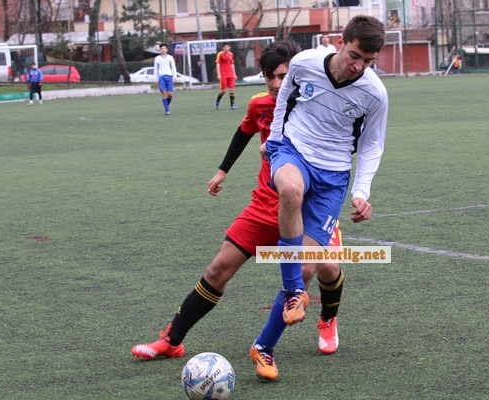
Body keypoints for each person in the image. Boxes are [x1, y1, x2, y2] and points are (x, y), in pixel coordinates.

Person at [131, 41, 344, 381]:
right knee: (219, 268)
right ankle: (171, 340)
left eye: (283, 76)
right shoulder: (260, 104)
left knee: (323, 269)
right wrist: (222, 171)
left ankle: (324, 321)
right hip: (266, 203)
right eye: (270, 77)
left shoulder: (318, 102)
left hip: (310, 206)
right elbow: (244, 132)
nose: (276, 84)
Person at [252, 15, 388, 380]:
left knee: (308, 267)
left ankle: (263, 347)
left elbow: (372, 144)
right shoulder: (304, 62)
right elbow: (284, 98)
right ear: (340, 42)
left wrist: (361, 191)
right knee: (290, 189)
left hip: (333, 176)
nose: (358, 66)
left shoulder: (375, 93)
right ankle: (294, 291)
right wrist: (275, 141)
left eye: (368, 61)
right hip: (293, 150)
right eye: (355, 55)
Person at [154, 43, 177, 115]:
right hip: (161, 77)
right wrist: (155, 78)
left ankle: (166, 105)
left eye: (164, 48)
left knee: (170, 94)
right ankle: (167, 110)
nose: (163, 50)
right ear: (160, 50)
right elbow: (156, 69)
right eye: (162, 48)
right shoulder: (157, 58)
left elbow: (173, 67)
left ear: (166, 49)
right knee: (164, 93)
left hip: (169, 76)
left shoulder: (170, 57)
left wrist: (175, 76)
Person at [215, 43, 237, 110]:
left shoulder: (231, 54)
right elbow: (218, 64)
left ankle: (232, 104)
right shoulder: (220, 54)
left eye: (228, 47)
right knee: (223, 91)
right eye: (225, 47)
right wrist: (218, 74)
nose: (226, 48)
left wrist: (234, 74)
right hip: (223, 74)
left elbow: (232, 64)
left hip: (230, 73)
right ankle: (217, 100)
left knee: (232, 89)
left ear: (229, 47)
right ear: (223, 48)